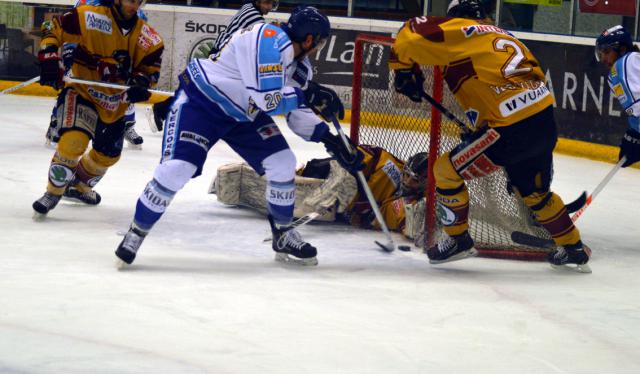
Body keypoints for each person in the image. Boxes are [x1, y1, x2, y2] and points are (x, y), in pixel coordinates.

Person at [115, 6, 364, 267]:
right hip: (202, 103)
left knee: (282, 162)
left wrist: (332, 140)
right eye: (320, 42)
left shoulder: (301, 69)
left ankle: (283, 232)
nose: (318, 48)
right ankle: (136, 232)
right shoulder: (267, 39)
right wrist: (309, 94)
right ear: (310, 38)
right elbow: (269, 100)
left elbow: (295, 111)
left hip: (243, 114)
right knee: (178, 168)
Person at [390, 0, 591, 271]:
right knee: (536, 195)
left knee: (445, 171)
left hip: (510, 128)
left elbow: (409, 30)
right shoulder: (504, 36)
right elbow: (502, 85)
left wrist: (402, 69)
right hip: (543, 122)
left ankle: (458, 239)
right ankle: (572, 247)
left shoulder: (464, 30)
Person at [32, 0, 164, 215]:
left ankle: (78, 186)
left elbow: (149, 70)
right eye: (131, 0)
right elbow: (52, 29)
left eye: (138, 1)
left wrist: (142, 83)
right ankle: (53, 192)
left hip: (115, 104)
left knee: (108, 156)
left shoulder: (149, 37)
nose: (134, 6)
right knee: (73, 142)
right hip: (82, 91)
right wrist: (49, 55)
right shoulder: (88, 16)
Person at [212, 147, 429, 241]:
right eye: (407, 174)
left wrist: (361, 213)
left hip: (340, 205)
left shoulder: (408, 202)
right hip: (336, 175)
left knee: (298, 200)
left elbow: (382, 217)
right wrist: (348, 173)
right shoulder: (390, 165)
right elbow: (360, 153)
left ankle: (241, 185)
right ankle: (245, 174)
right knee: (311, 172)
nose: (408, 181)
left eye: (415, 180)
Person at [151, 0, 279, 130]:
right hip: (221, 58)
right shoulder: (255, 18)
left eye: (271, 4)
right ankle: (162, 109)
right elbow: (263, 38)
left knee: (202, 92)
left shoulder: (248, 7)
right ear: (258, 2)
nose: (269, 7)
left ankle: (163, 109)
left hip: (220, 54)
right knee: (202, 93)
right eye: (266, 3)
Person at [45, 0, 148, 149]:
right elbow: (71, 29)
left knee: (125, 89)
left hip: (113, 58)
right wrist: (69, 53)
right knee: (73, 87)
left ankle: (127, 125)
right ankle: (56, 123)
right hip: (85, 55)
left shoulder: (136, 13)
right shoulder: (85, 3)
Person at [595, 25, 640, 169]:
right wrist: (635, 133)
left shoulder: (625, 63)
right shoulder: (630, 62)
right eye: (601, 53)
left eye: (606, 52)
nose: (603, 59)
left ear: (622, 49)